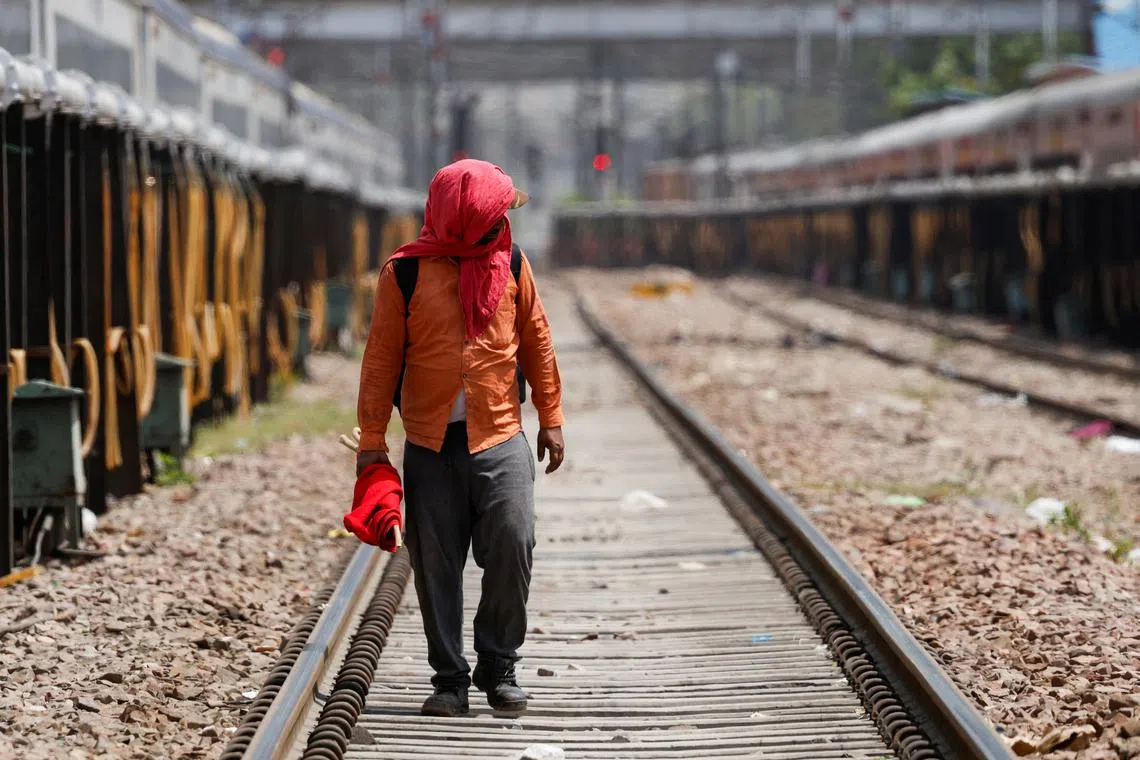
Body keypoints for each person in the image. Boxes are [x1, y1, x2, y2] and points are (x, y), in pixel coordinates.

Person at [356, 159, 565, 718]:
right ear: (462, 220)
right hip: (430, 442)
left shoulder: (513, 264)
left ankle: (498, 665)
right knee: (436, 566)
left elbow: (536, 341)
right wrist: (372, 441)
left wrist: (550, 416)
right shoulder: (403, 274)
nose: (503, 226)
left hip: (500, 435)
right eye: (494, 217)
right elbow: (380, 361)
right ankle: (449, 679)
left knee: (514, 542)